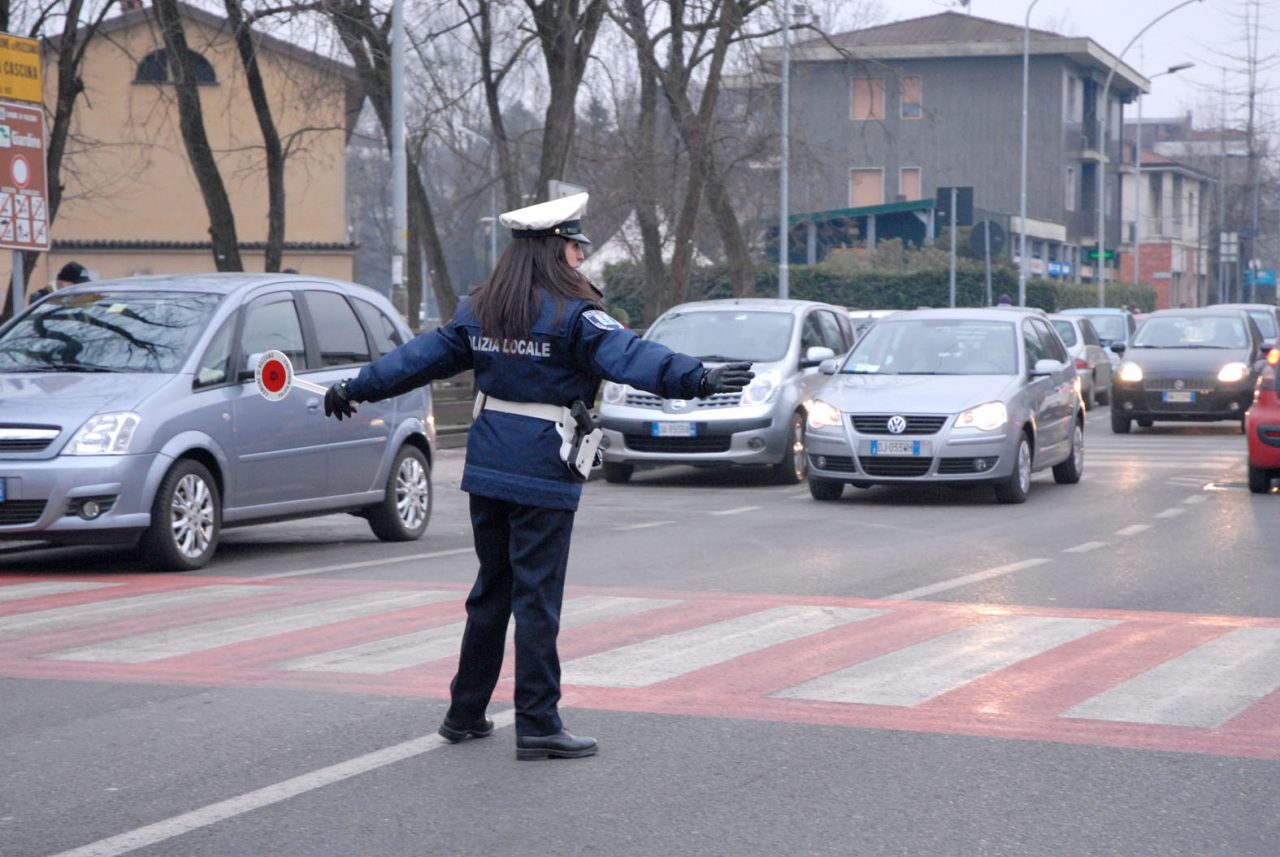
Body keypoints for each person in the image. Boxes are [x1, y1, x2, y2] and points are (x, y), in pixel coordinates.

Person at [321, 191, 753, 761]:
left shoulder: (481, 310)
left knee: (491, 592)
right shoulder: (574, 315)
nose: (581, 260)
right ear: (555, 251)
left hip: (488, 466)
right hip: (543, 470)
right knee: (537, 599)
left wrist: (357, 386)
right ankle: (539, 723)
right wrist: (696, 378)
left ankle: (465, 712)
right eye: (575, 249)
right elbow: (631, 356)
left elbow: (418, 358)